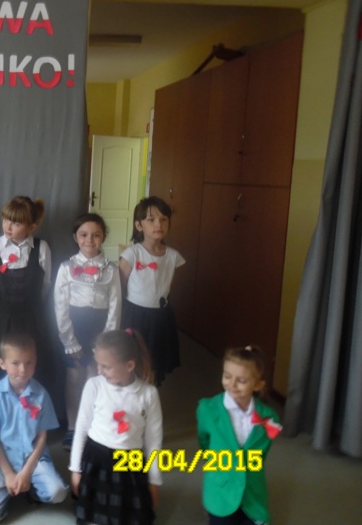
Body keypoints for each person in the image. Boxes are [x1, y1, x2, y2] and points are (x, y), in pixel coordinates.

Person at [69, 328, 162, 524]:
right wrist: (75, 469)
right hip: (97, 460)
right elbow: (81, 428)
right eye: (98, 364)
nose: (99, 371)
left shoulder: (148, 394)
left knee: (129, 514)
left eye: (106, 366)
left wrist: (154, 480)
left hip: (129, 464)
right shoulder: (94, 385)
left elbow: (153, 441)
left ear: (129, 365)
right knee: (95, 512)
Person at [0, 333, 67, 523]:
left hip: (33, 456)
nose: (23, 370)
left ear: (35, 362)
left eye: (29, 363)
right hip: (3, 459)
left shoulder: (41, 395)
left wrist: (26, 472)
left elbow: (42, 438)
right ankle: (6, 486)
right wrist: (9, 474)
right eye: (15, 363)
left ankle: (29, 487)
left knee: (58, 493)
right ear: (2, 363)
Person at [54, 213, 121, 449]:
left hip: (100, 330)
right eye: (83, 235)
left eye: (96, 235)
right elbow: (60, 306)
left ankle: (93, 426)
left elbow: (115, 305)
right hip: (74, 327)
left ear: (103, 238)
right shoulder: (66, 268)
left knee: (96, 377)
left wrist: (107, 340)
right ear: (76, 237)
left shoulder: (111, 269)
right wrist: (69, 341)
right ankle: (73, 427)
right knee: (74, 377)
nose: (89, 240)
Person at [197, 346, 281, 525]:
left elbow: (262, 453)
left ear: (258, 385)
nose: (232, 384)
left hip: (253, 492)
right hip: (220, 488)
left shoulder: (269, 417)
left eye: (241, 380)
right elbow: (204, 441)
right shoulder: (207, 410)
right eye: (227, 376)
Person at [0, 196, 53, 385]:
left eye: (16, 223)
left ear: (31, 227)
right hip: (0, 323)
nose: (8, 226)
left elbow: (46, 285)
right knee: (0, 371)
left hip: (32, 322)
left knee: (30, 370)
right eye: (6, 219)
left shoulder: (41, 248)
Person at [119, 196, 184, 386]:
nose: (158, 224)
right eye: (151, 219)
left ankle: (150, 396)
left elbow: (167, 287)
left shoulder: (173, 256)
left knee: (155, 361)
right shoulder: (132, 254)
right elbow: (120, 287)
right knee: (133, 359)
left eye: (164, 219)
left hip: (161, 316)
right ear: (139, 225)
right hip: (135, 315)